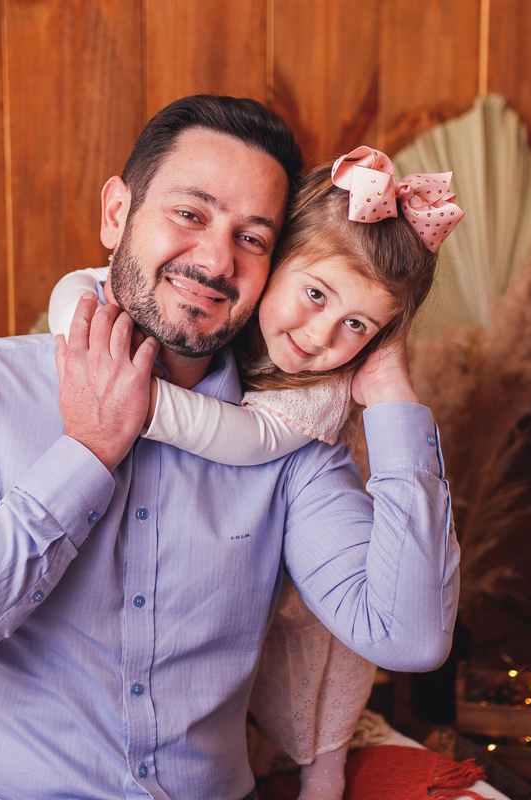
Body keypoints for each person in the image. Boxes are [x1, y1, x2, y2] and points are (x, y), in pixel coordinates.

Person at [0, 95, 459, 800]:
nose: (214, 259)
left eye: (252, 238)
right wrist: (85, 456)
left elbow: (410, 637)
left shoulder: (292, 444)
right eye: (190, 213)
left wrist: (395, 399)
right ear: (117, 214)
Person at [46, 146, 462, 800]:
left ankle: (319, 772)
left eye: (357, 325)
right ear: (268, 264)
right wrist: (75, 309)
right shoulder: (177, 315)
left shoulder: (313, 398)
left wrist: (393, 395)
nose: (321, 335)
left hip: (300, 603)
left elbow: (242, 437)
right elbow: (82, 283)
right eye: (316, 294)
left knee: (320, 675)